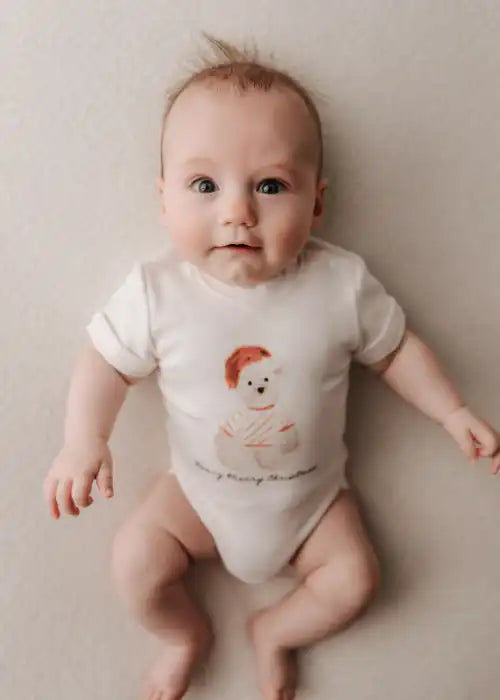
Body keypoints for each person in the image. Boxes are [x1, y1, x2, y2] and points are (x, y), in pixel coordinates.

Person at [43, 36, 500, 700]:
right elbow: (105, 363)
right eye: (205, 185)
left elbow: (397, 351)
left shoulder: (340, 284)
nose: (238, 212)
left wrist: (452, 411)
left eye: (270, 185)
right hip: (195, 500)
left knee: (355, 582)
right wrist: (83, 441)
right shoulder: (157, 292)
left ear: (316, 203)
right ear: (164, 199)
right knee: (135, 565)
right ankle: (184, 636)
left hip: (313, 506)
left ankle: (276, 632)